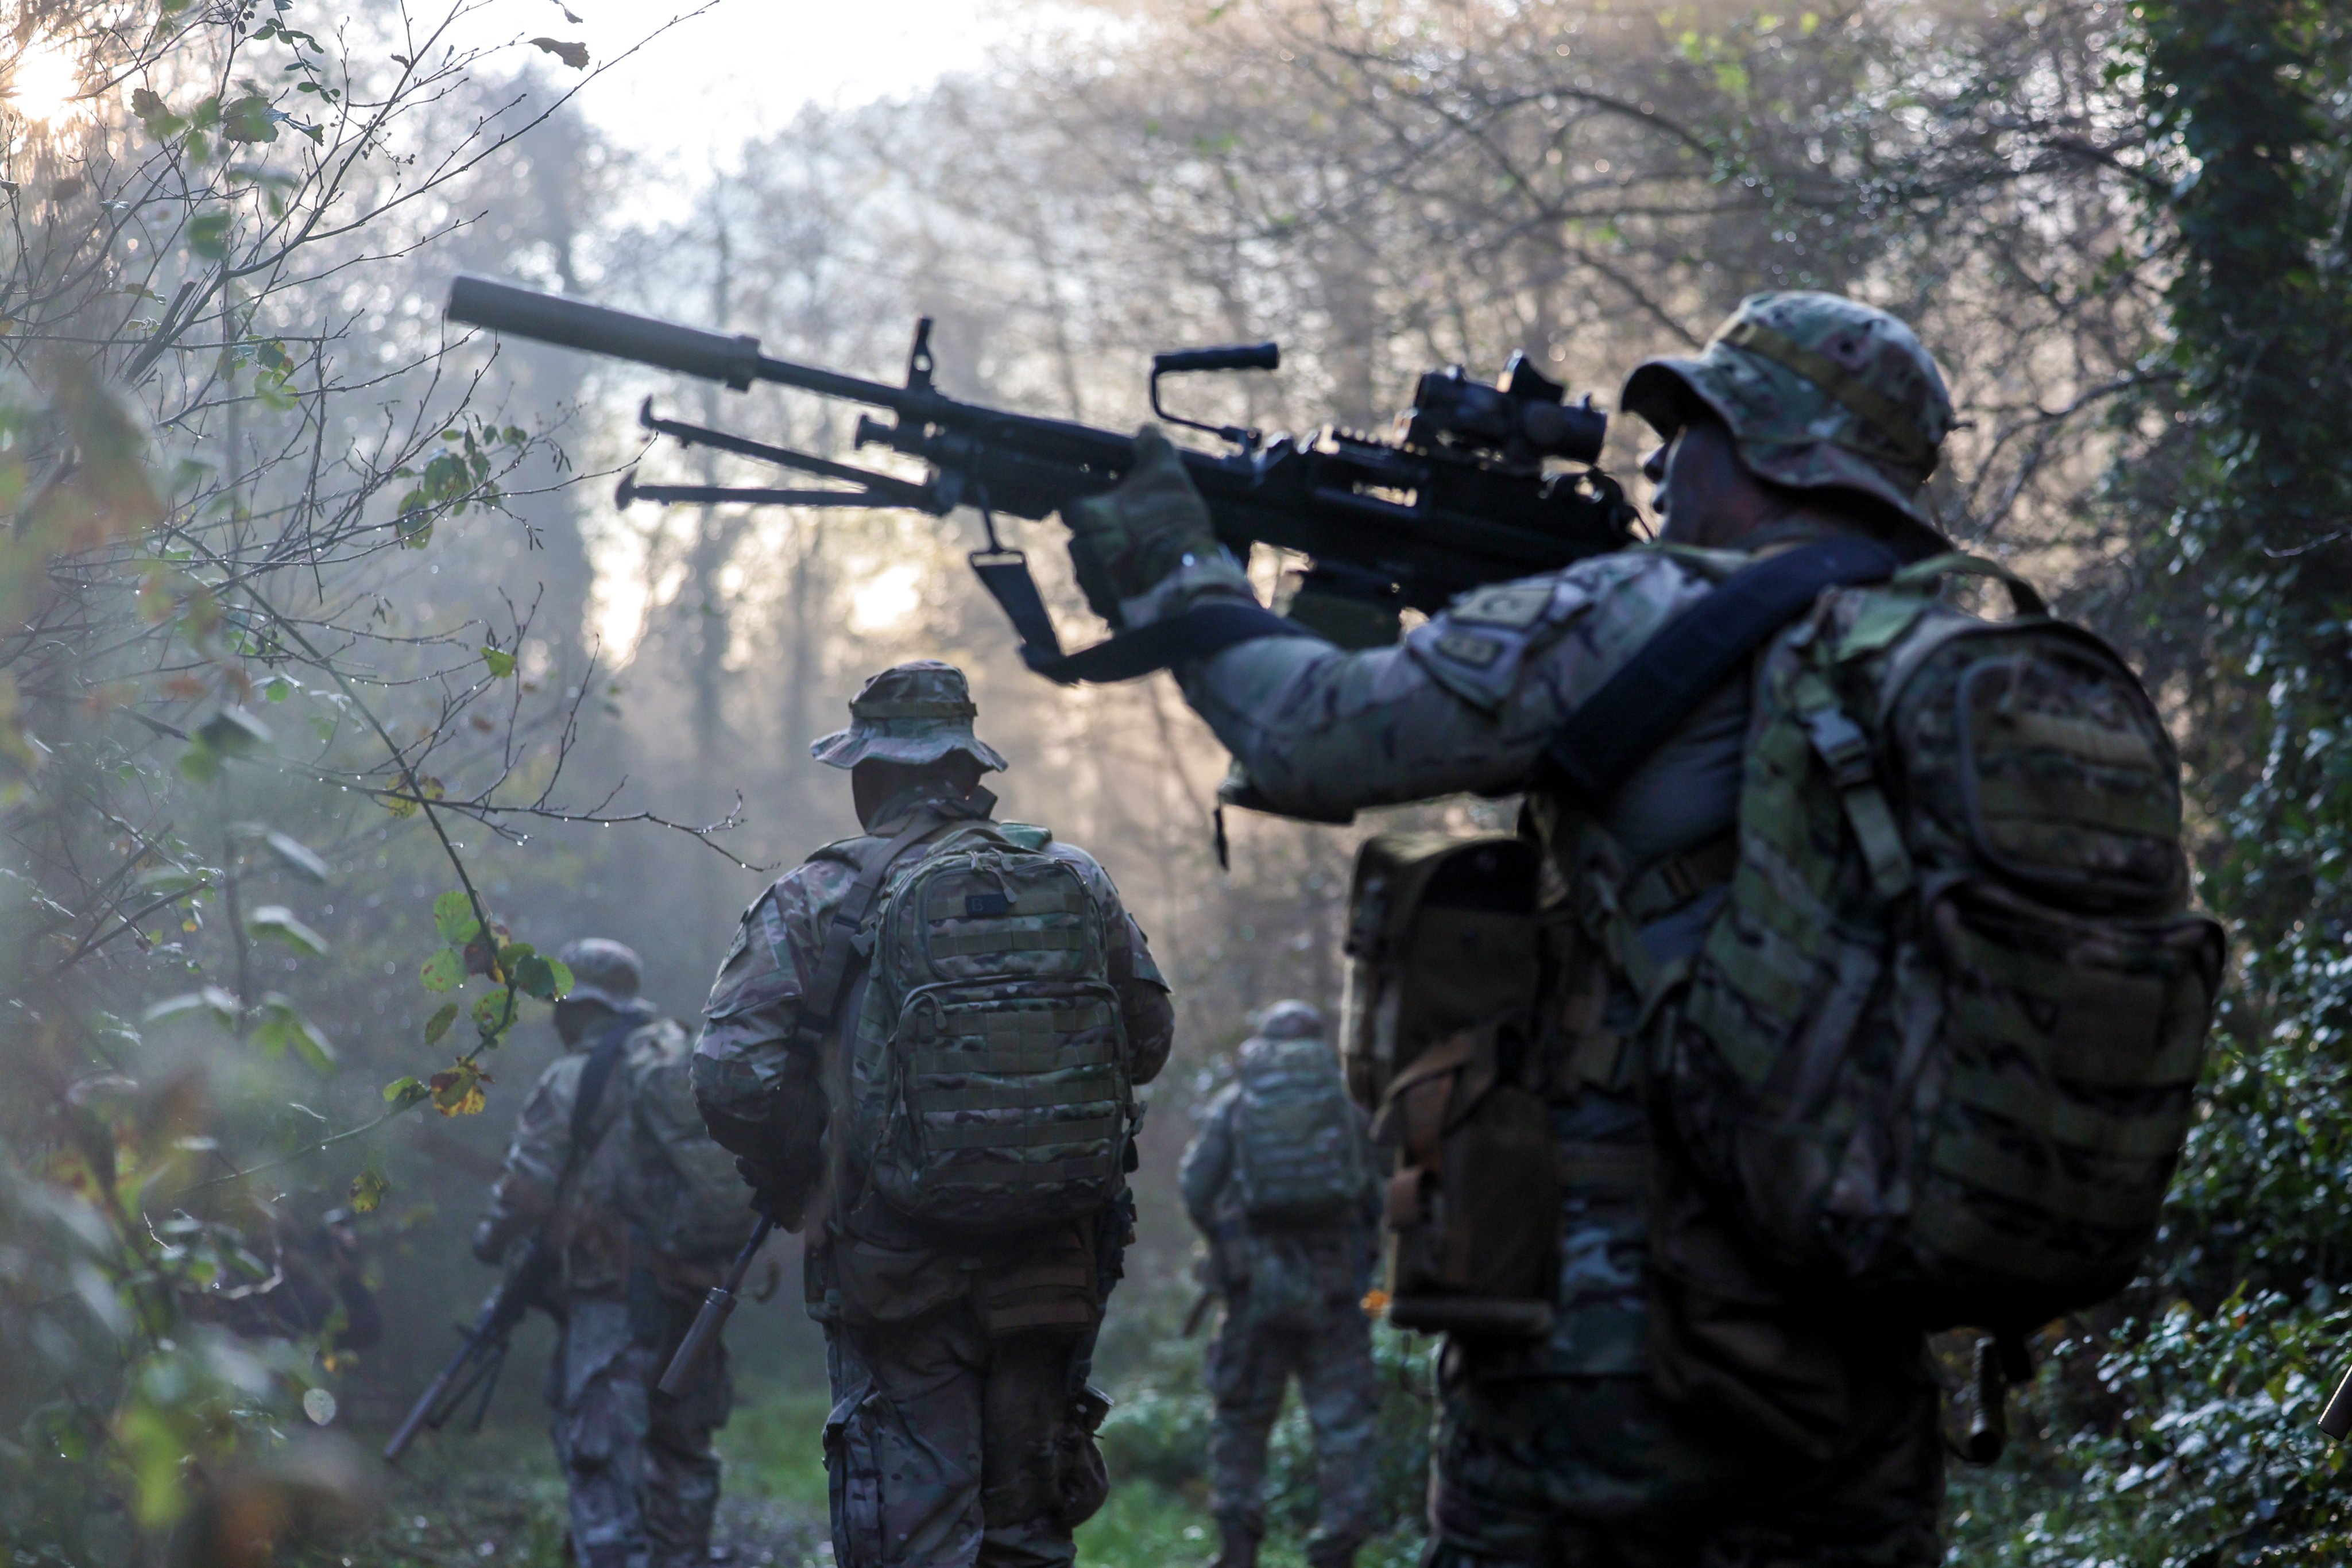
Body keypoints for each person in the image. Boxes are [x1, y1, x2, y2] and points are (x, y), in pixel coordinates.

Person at [1061, 293, 1964, 1566]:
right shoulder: (1963, 655)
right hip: (1864, 1342)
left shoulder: (1653, 613)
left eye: (1690, 428)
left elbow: (1310, 735)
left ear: (1770, 446)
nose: (1657, 461)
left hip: (1613, 1342)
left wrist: (1177, 570)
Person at [693, 660, 1177, 1568]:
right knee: (1030, 1531)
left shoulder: (816, 897)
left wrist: (812, 1166)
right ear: (971, 771)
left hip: (894, 1268)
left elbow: (729, 1073)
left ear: (868, 776)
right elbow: (1148, 1039)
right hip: (1051, 1261)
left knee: (914, 1540)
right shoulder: (1073, 877)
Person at [474, 938, 745, 1568]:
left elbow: (525, 1188)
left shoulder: (571, 1079)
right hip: (693, 1299)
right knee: (683, 1457)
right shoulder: (685, 1057)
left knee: (600, 1465)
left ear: (578, 1007)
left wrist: (489, 1240)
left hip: (610, 1303)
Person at [1179, 1001, 1383, 1568]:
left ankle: (1238, 1550)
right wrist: (1372, 1286)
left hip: (1252, 1292)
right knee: (1343, 1427)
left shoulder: (1236, 1104)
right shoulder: (1347, 1108)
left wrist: (1228, 1237)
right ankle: (1338, 1548)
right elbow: (1379, 1200)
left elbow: (1196, 1187)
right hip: (1338, 1293)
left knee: (1241, 1420)